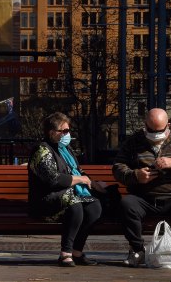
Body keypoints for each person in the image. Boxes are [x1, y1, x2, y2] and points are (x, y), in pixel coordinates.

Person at [112, 108, 171, 268]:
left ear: (168, 125)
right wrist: (135, 175)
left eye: (159, 130)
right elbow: (117, 167)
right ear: (145, 125)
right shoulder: (134, 141)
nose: (154, 134)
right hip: (146, 199)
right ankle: (137, 250)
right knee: (127, 204)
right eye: (150, 130)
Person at [28, 112, 105, 267]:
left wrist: (92, 182)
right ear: (51, 133)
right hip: (46, 199)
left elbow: (77, 170)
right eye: (63, 131)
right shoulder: (42, 150)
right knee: (75, 206)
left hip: (65, 195)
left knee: (94, 207)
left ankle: (77, 252)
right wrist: (80, 180)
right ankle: (65, 254)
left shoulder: (65, 149)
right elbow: (52, 179)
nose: (67, 134)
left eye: (68, 131)